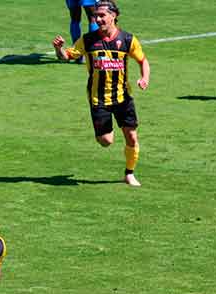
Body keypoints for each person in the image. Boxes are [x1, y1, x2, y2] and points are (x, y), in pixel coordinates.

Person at [53, 0, 150, 187]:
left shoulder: (128, 39)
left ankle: (129, 174)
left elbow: (143, 60)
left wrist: (144, 78)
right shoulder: (88, 40)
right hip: (98, 99)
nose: (97, 19)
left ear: (113, 16)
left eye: (101, 15)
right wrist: (59, 49)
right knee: (106, 141)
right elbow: (66, 56)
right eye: (96, 16)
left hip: (123, 97)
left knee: (131, 136)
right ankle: (105, 133)